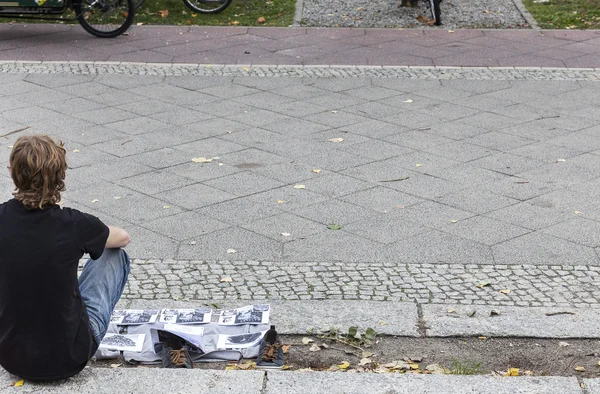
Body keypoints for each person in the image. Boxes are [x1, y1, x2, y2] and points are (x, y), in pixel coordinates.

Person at [0, 135, 131, 381]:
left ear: (13, 172)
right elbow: (122, 238)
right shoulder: (74, 224)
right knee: (114, 255)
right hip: (69, 357)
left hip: (11, 357)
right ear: (60, 176)